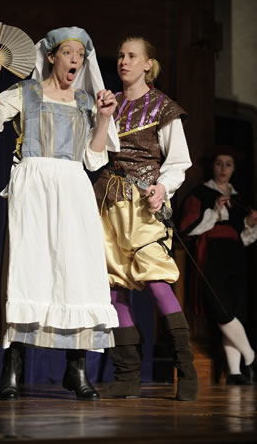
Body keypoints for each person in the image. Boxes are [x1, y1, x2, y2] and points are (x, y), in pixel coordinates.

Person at [0, 26, 120, 400]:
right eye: (69, 53)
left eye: (81, 56)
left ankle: (76, 367)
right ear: (51, 56)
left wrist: (103, 118)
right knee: (28, 269)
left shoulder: (86, 100)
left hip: (72, 185)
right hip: (34, 182)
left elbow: (94, 157)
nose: (75, 61)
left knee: (77, 272)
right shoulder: (28, 92)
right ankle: (13, 366)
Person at [93, 36, 198, 401]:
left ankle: (186, 370)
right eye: (121, 55)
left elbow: (179, 161)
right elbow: (95, 152)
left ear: (147, 65)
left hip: (142, 207)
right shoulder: (110, 104)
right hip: (108, 202)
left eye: (132, 56)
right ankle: (127, 375)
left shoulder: (163, 107)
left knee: (156, 281)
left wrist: (163, 188)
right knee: (114, 285)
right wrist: (102, 117)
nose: (124, 61)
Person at [179, 145, 257, 385]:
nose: (223, 169)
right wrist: (214, 211)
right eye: (219, 163)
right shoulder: (201, 193)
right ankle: (251, 356)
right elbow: (188, 229)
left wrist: (250, 223)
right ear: (212, 166)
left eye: (228, 164)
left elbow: (243, 238)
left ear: (233, 169)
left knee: (234, 311)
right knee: (221, 309)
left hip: (234, 256)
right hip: (210, 254)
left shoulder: (238, 198)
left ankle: (234, 372)